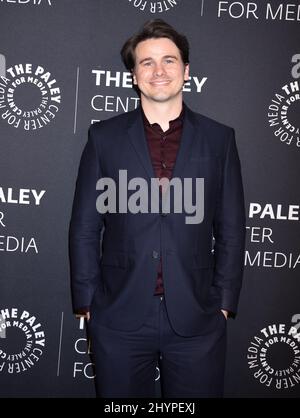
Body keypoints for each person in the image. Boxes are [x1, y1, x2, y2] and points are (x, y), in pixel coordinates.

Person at [69, 19, 246, 398]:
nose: (159, 70)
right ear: (134, 75)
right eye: (147, 62)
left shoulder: (220, 140)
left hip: (198, 318)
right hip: (119, 316)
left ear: (186, 70)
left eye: (169, 60)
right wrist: (87, 301)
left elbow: (231, 227)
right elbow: (85, 225)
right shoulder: (104, 138)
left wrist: (224, 303)